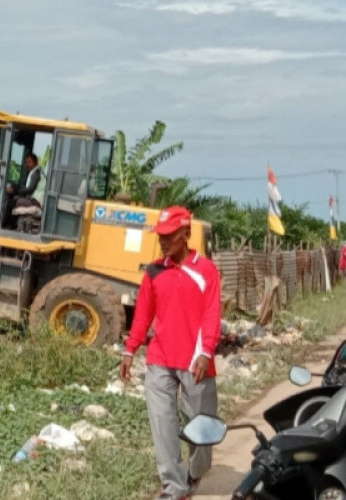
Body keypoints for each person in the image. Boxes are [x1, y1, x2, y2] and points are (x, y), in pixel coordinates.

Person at [119, 205, 221, 500]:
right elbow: (142, 315)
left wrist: (205, 352)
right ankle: (174, 487)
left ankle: (195, 472)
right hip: (160, 359)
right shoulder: (154, 271)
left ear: (186, 234)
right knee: (163, 424)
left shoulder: (205, 270)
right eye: (160, 236)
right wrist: (130, 350)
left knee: (201, 426)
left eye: (169, 236)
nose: (163, 241)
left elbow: (212, 314)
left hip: (196, 361)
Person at [5, 153, 42, 228]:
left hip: (34, 201)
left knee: (10, 202)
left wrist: (15, 191)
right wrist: (15, 187)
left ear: (35, 162)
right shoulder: (33, 172)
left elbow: (30, 190)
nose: (27, 164)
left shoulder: (36, 173)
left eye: (29, 162)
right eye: (26, 162)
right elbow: (27, 188)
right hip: (31, 199)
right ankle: (11, 224)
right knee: (14, 197)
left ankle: (5, 225)